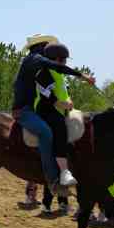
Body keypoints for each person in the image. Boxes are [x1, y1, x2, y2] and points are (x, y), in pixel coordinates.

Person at [12, 34, 95, 193]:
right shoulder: (34, 59)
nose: (48, 50)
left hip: (30, 109)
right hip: (23, 111)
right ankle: (52, 180)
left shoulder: (34, 62)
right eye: (47, 46)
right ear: (41, 47)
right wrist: (83, 76)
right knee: (45, 132)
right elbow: (57, 67)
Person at [34, 43, 77, 187]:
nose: (64, 63)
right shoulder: (43, 74)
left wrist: (69, 102)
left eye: (65, 60)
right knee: (60, 127)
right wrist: (64, 105)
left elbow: (66, 94)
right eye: (62, 60)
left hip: (62, 109)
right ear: (54, 59)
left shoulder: (60, 75)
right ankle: (64, 172)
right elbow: (50, 99)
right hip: (46, 110)